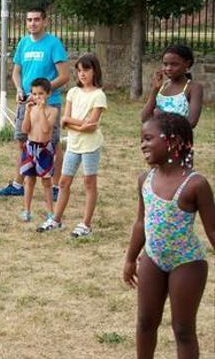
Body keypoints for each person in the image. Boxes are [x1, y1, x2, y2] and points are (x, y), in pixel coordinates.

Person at [124, 113, 214, 359]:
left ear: (172, 141)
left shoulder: (196, 184)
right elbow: (141, 222)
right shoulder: (145, 179)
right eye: (141, 139)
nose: (142, 144)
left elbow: (212, 230)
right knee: (145, 322)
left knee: (183, 329)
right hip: (152, 259)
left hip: (187, 263)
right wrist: (131, 258)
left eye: (148, 138)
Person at [0, 7, 68, 199]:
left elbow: (64, 76)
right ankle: (19, 185)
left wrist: (41, 93)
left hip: (48, 104)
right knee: (22, 142)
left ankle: (56, 187)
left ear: (45, 21)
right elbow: (16, 72)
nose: (32, 23)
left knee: (51, 143)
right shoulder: (23, 43)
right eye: (29, 20)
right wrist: (20, 90)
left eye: (36, 19)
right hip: (26, 103)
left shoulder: (53, 44)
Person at [38, 54, 107, 237]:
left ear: (95, 71)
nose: (82, 74)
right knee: (63, 181)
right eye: (79, 70)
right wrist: (79, 123)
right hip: (74, 144)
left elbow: (91, 126)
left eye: (86, 70)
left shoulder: (99, 96)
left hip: (90, 146)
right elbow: (64, 122)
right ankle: (56, 219)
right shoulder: (73, 93)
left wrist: (73, 122)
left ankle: (86, 224)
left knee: (89, 182)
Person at [19, 78, 58, 223]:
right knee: (29, 181)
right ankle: (27, 210)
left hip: (44, 149)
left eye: (40, 94)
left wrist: (41, 110)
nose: (37, 97)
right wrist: (28, 113)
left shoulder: (52, 111)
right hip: (30, 147)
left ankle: (50, 212)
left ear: (48, 94)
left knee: (47, 182)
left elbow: (46, 129)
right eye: (34, 94)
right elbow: (24, 129)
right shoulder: (30, 109)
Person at [140, 44, 203, 128]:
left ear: (187, 64)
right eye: (165, 64)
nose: (168, 68)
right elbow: (145, 118)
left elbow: (191, 122)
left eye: (174, 64)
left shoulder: (193, 87)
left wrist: (161, 116)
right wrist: (155, 90)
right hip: (158, 139)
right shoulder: (162, 87)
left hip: (178, 139)